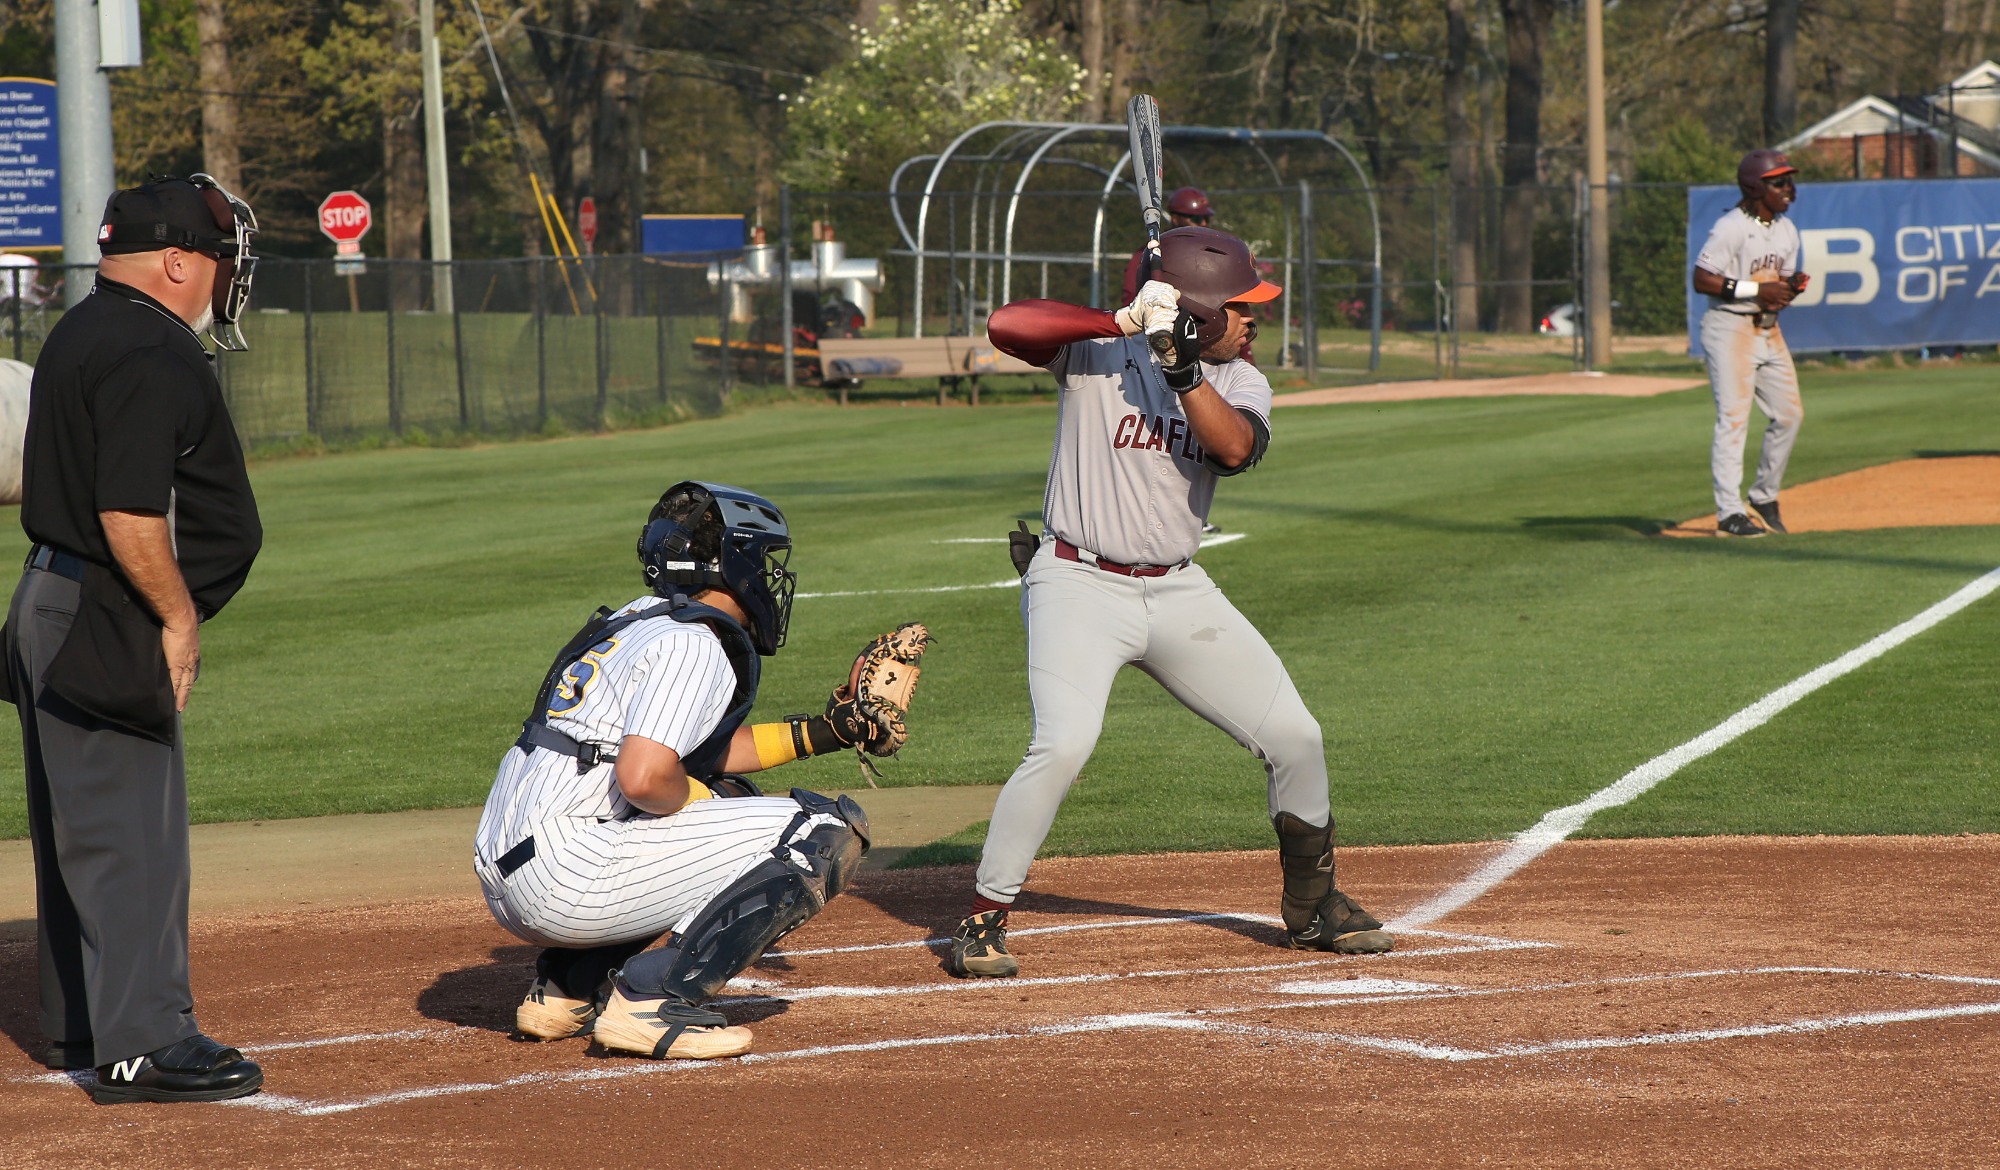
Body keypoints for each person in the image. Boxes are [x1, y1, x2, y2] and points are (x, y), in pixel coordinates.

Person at [946, 226, 1392, 979]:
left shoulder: (1241, 380)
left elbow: (1234, 450)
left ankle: (1312, 909)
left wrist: (1184, 372)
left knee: (1297, 738)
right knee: (1063, 742)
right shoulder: (1099, 355)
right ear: (1202, 309)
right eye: (1243, 307)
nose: (1256, 322)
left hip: (1180, 589)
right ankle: (984, 917)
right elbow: (1007, 327)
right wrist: (1121, 322)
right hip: (1076, 582)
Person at [3, 175, 266, 1104]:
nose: (231, 276)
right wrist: (178, 616)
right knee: (131, 835)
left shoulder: (84, 325)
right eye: (224, 258)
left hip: (56, 599)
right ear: (178, 260)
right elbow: (127, 508)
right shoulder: (152, 349)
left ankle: (88, 1022)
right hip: (104, 607)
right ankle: (143, 1042)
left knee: (83, 829)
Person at [475, 481, 876, 1060]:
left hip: (510, 865)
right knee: (820, 831)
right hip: (567, 875)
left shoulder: (642, 621)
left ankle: (568, 985)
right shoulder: (693, 644)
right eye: (761, 560)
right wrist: (710, 808)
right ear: (731, 562)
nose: (766, 578)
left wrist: (825, 732)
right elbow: (643, 779)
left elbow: (690, 757)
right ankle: (652, 999)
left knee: (720, 792)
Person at [1692, 150, 1809, 538]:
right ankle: (1729, 513)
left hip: (1767, 329)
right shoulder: (1731, 227)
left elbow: (1781, 284)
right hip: (1729, 329)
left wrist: (1789, 290)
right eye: (1779, 182)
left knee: (1790, 415)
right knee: (1734, 420)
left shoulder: (1786, 230)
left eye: (1789, 181)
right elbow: (1703, 279)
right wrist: (1759, 290)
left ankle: (1763, 495)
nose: (1789, 189)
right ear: (1756, 187)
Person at [1121, 187, 1215, 301]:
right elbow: (1131, 297)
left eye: (1206, 218)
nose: (1204, 223)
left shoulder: (1212, 252)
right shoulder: (1151, 251)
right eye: (1197, 219)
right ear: (1175, 219)